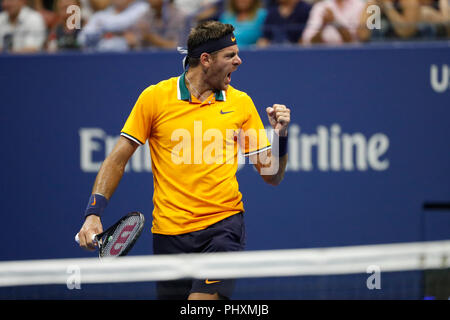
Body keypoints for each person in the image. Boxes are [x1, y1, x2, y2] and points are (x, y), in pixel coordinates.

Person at [77, 20, 291, 300]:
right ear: (205, 60)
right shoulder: (154, 98)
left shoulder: (241, 104)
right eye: (230, 55)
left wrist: (282, 137)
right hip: (168, 234)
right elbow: (118, 158)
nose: (239, 61)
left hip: (222, 227)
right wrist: (93, 213)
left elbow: (272, 175)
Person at [77, 0, 149, 51]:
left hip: (130, 58)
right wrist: (106, 35)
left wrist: (104, 29)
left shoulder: (142, 8)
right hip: (101, 58)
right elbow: (81, 39)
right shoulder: (99, 16)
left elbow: (124, 23)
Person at [301, 0, 366, 45]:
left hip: (351, 57)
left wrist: (334, 22)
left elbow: (355, 41)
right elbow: (310, 42)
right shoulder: (320, 7)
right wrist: (323, 25)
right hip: (323, 56)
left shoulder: (360, 6)